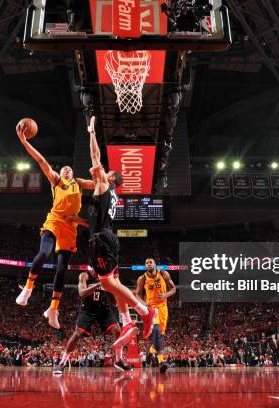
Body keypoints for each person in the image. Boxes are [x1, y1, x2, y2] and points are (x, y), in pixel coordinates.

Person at [15, 121, 95, 329]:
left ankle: (52, 309)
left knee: (62, 269)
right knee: (43, 254)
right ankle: (28, 289)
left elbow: (99, 184)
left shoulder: (78, 183)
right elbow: (41, 160)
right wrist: (24, 142)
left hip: (70, 227)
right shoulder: (57, 181)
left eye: (70, 169)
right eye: (64, 169)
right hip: (54, 220)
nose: (67, 170)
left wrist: (110, 180)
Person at [86, 116, 157, 347]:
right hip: (106, 237)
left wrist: (91, 133)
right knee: (113, 284)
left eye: (107, 172)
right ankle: (127, 321)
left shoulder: (104, 185)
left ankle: (145, 312)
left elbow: (95, 157)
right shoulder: (108, 191)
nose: (103, 172)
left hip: (102, 239)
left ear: (111, 179)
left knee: (108, 284)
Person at [53, 267, 133, 375]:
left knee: (117, 331)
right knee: (77, 334)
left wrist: (115, 300)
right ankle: (62, 363)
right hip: (87, 309)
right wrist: (97, 285)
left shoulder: (106, 275)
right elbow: (81, 293)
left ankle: (118, 360)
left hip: (104, 308)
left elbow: (115, 292)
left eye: (98, 271)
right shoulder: (84, 276)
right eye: (94, 270)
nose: (96, 273)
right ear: (90, 270)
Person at [136, 258, 176, 373]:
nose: (149, 264)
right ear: (145, 266)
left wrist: (165, 295)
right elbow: (137, 294)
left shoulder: (163, 273)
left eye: (151, 262)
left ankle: (151, 351)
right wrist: (144, 304)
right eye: (147, 263)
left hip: (163, 307)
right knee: (157, 332)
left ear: (155, 264)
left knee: (160, 336)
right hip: (152, 309)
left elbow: (173, 289)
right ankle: (161, 362)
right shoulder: (142, 278)